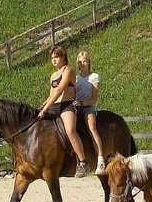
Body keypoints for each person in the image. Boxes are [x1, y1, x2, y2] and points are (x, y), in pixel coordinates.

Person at [38, 46, 88, 178]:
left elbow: (60, 89)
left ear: (63, 57)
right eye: (52, 58)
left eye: (57, 57)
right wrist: (43, 105)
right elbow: (51, 94)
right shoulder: (53, 75)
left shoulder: (68, 70)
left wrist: (45, 109)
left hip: (67, 105)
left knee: (70, 130)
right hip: (54, 105)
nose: (54, 60)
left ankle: (83, 162)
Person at [74, 51, 106, 175]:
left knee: (92, 127)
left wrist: (82, 103)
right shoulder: (76, 78)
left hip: (88, 106)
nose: (82, 64)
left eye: (85, 61)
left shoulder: (94, 77)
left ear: (89, 62)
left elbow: (94, 98)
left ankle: (101, 158)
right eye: (80, 62)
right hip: (76, 106)